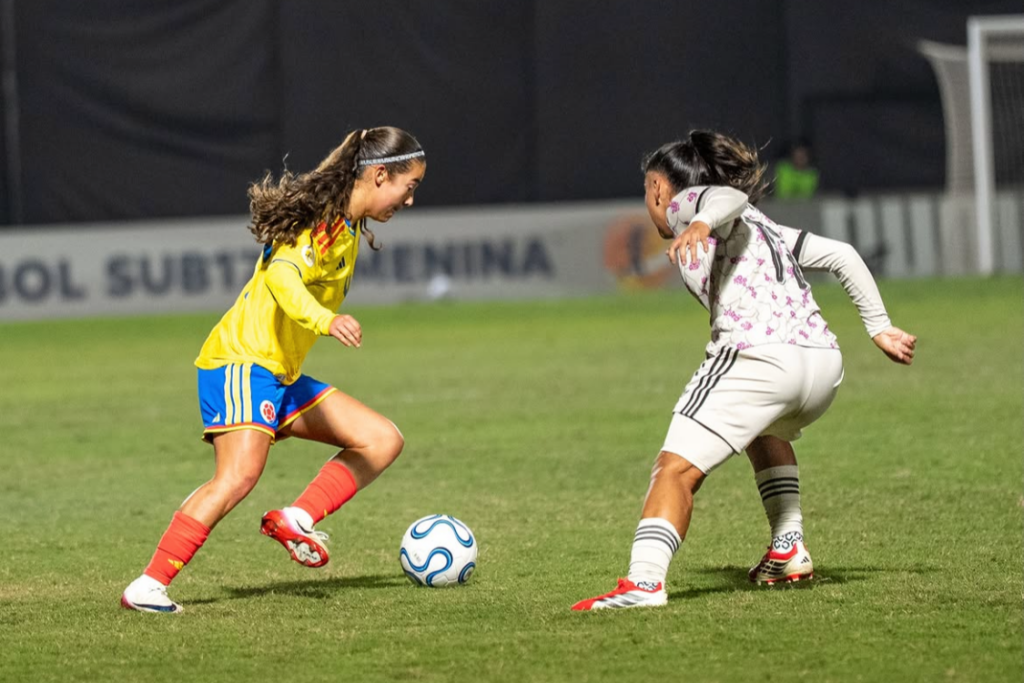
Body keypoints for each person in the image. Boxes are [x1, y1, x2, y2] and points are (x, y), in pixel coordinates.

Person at [572, 130, 916, 610]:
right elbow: (842, 254)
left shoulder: (688, 205)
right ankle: (788, 546)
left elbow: (726, 197)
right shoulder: (763, 226)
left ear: (657, 187)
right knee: (761, 426)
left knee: (674, 470)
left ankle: (643, 583)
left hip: (760, 359)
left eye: (647, 190)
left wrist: (698, 222)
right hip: (822, 363)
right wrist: (879, 327)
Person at [121, 127, 427, 613]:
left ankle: (296, 518)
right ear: (379, 176)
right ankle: (147, 586)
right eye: (409, 186)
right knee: (237, 477)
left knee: (380, 439)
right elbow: (283, 278)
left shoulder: (346, 227)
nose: (410, 200)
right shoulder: (323, 224)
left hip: (277, 374)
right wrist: (326, 320)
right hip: (241, 362)